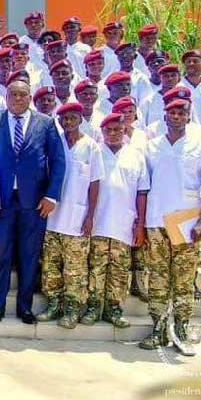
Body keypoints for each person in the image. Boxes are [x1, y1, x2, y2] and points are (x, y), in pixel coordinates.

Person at [140, 98, 201, 356]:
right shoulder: (152, 147)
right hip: (156, 222)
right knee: (158, 278)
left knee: (184, 280)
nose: (176, 116)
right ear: (165, 117)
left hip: (186, 224)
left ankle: (182, 330)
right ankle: (159, 329)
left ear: (188, 116)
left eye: (181, 112)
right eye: (172, 112)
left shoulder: (200, 145)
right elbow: (143, 186)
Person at [0, 81, 66, 324]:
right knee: (1, 254)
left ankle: (25, 308)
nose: (17, 99)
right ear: (5, 97)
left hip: (34, 203)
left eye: (22, 95)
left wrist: (51, 196)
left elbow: (58, 161)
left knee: (29, 256)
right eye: (13, 95)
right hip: (2, 201)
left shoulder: (46, 122)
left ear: (30, 98)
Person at [36, 103, 103, 329]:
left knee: (75, 269)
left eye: (73, 117)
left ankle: (72, 310)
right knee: (51, 266)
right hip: (53, 218)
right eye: (64, 119)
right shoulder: (56, 144)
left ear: (81, 119)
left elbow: (95, 183)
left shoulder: (91, 146)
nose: (68, 122)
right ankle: (54, 304)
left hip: (77, 218)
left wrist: (90, 216)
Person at [85, 113, 149, 329]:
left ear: (124, 131)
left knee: (120, 270)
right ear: (102, 132)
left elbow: (142, 192)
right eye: (108, 130)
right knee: (96, 268)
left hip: (124, 222)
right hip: (98, 223)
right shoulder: (94, 153)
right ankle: (94, 307)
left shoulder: (135, 155)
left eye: (117, 130)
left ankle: (114, 309)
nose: (112, 134)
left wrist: (140, 224)